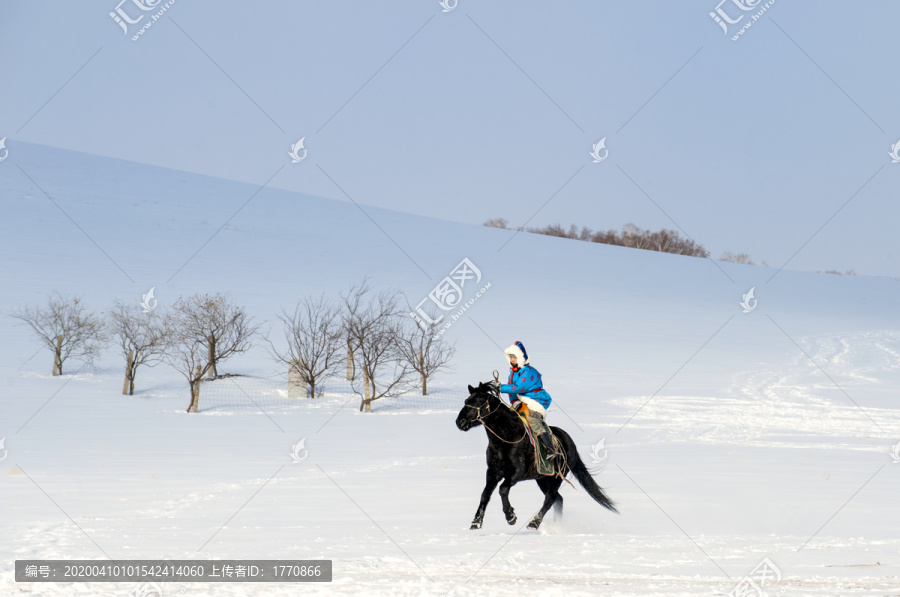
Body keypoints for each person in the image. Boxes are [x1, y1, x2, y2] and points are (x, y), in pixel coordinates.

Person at [497, 341, 557, 460]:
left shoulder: (529, 371)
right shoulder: (513, 372)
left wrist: (500, 388)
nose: (512, 359)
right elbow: (512, 390)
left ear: (520, 358)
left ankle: (550, 448)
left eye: (514, 357)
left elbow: (517, 387)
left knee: (533, 420)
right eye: (511, 357)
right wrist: (514, 402)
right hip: (522, 402)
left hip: (535, 401)